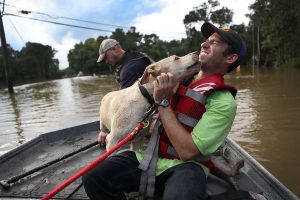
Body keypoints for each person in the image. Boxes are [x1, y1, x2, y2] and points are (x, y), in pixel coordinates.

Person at [83, 22, 246, 200]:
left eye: (215, 43)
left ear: (230, 58)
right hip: (149, 156)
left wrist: (163, 102)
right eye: (207, 40)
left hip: (185, 166)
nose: (204, 44)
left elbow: (187, 152)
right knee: (92, 178)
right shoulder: (177, 79)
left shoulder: (223, 102)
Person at [97, 38, 154, 145]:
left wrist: (107, 132)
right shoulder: (137, 56)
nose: (106, 62)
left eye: (105, 58)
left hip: (155, 114)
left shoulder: (129, 69)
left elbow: (123, 107)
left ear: (113, 49)